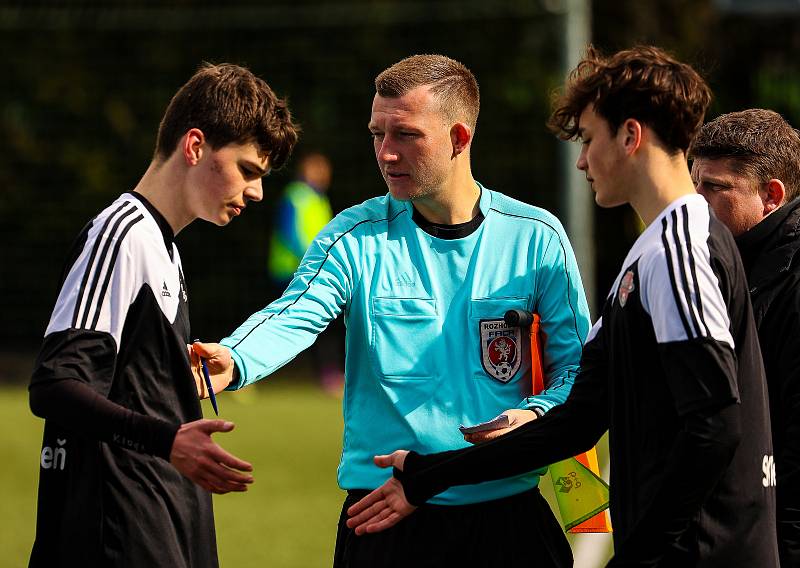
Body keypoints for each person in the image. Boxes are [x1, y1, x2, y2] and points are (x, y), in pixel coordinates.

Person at [346, 46, 780, 567]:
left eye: (589, 139)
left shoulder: (680, 250)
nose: (581, 160)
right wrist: (430, 475)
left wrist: (639, 554)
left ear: (629, 137)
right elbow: (577, 418)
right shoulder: (650, 252)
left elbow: (714, 426)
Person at [193, 54, 590, 567]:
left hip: (505, 514)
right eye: (376, 134)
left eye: (405, 135)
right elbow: (295, 312)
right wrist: (236, 356)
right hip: (383, 516)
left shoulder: (535, 238)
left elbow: (578, 371)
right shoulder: (353, 236)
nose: (385, 153)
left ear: (459, 138)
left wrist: (532, 415)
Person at [27, 62, 298, 567]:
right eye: (247, 169)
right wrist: (167, 439)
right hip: (117, 535)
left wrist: (170, 376)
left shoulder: (164, 248)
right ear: (195, 146)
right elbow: (55, 382)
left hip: (163, 526)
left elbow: (124, 382)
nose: (258, 192)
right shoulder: (121, 234)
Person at [689, 108, 800, 566]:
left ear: (771, 195)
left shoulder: (790, 281)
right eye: (692, 184)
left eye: (715, 188)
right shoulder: (725, 260)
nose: (696, 201)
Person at [268, 151, 344, 393]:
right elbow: (290, 233)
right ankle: (266, 369)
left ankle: (327, 374)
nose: (322, 175)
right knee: (283, 323)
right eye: (316, 170)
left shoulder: (320, 199)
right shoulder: (296, 196)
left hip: (316, 271)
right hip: (290, 271)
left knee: (325, 324)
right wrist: (311, 258)